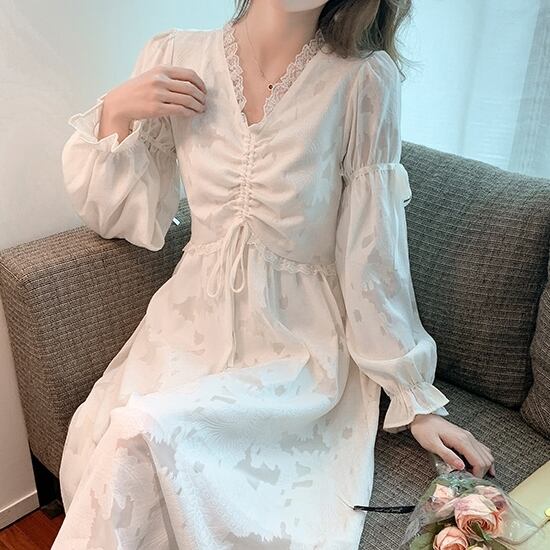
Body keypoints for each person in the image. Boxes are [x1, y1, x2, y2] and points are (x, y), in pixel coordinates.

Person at [53, 0, 496, 547]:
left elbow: (372, 254)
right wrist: (117, 110)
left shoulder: (362, 80)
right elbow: (116, 215)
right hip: (186, 331)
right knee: (113, 440)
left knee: (140, 430)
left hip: (297, 351)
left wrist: (413, 397)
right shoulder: (175, 54)